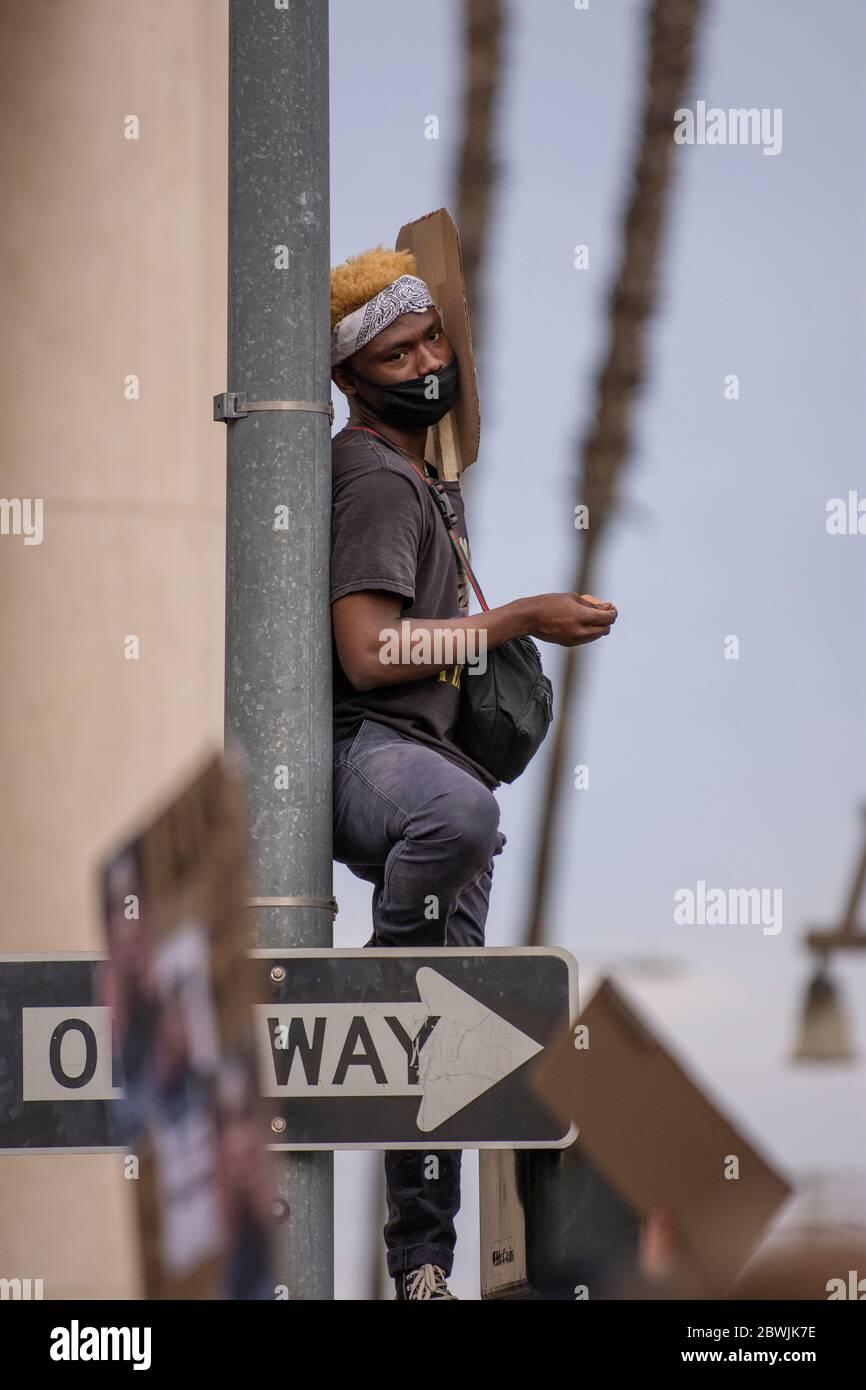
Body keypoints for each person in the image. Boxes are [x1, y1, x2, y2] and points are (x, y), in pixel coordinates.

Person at [329, 244, 618, 1300]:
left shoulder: (423, 477)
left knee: (450, 1043)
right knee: (456, 819)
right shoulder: (368, 476)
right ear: (350, 378)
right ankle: (376, 989)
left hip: (428, 764)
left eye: (428, 339)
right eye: (392, 353)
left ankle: (422, 1264)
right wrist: (517, 618)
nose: (419, 363)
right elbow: (366, 651)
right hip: (367, 756)